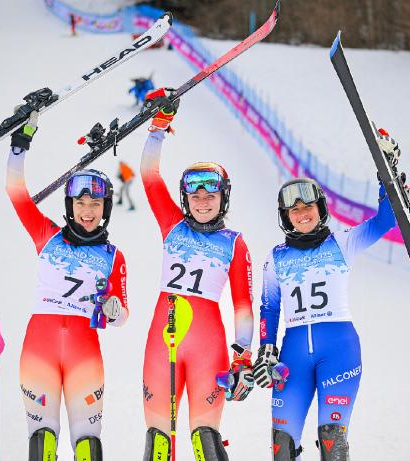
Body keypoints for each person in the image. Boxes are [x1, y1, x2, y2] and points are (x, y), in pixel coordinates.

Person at [252, 131, 405, 461]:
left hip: (338, 350)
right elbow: (269, 306)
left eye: (308, 206)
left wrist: (386, 171)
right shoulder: (276, 257)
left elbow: (386, 221)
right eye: (294, 210)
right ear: (285, 217)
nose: (302, 213)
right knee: (282, 446)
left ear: (320, 209)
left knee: (332, 442)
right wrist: (266, 349)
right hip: (292, 357)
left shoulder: (343, 242)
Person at [139, 88, 255, 461]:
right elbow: (149, 174)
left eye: (211, 195)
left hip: (209, 347)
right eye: (195, 196)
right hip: (162, 344)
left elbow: (243, 305)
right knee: (159, 441)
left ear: (224, 199)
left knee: (205, 438)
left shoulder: (234, 243)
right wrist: (159, 126)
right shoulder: (173, 225)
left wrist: (242, 357)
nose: (203, 202)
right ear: (185, 199)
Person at [6, 111, 129, 461]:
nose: (87, 211)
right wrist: (21, 141)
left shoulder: (113, 256)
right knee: (42, 438)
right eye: (80, 203)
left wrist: (114, 310)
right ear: (70, 205)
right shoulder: (47, 236)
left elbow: (122, 316)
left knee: (87, 441)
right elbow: (16, 193)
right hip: (40, 348)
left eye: (95, 204)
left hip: (84, 351)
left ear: (105, 209)